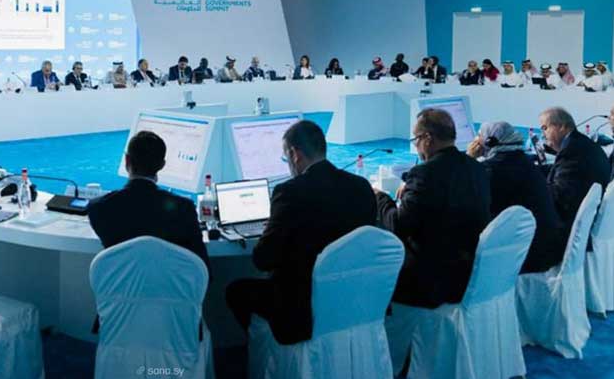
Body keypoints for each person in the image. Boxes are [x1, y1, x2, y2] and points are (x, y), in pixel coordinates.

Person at [226, 120, 377, 345]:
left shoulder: (289, 193)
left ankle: (267, 353)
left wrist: (271, 228)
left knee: (236, 291)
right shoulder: (361, 187)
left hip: (301, 309)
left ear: (295, 155)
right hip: (351, 302)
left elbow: (263, 260)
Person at [376, 108, 490, 307]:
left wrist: (380, 198)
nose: (416, 147)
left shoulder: (424, 174)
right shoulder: (477, 168)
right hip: (469, 274)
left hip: (429, 283)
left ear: (428, 138)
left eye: (416, 139)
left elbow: (397, 226)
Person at [88, 130, 208, 267]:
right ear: (162, 165)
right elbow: (202, 265)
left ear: (127, 160)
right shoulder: (184, 208)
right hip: (169, 280)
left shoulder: (98, 208)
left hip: (122, 281)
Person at [466, 122, 567, 273]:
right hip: (548, 247)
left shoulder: (489, 170)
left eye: (479, 135)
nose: (475, 140)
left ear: (489, 142)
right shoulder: (524, 161)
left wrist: (469, 159)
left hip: (527, 256)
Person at [539, 107, 610, 229]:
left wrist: (532, 185)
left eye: (545, 128)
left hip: (565, 228)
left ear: (562, 126)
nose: (543, 135)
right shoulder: (582, 144)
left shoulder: (572, 151)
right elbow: (565, 172)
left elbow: (559, 198)